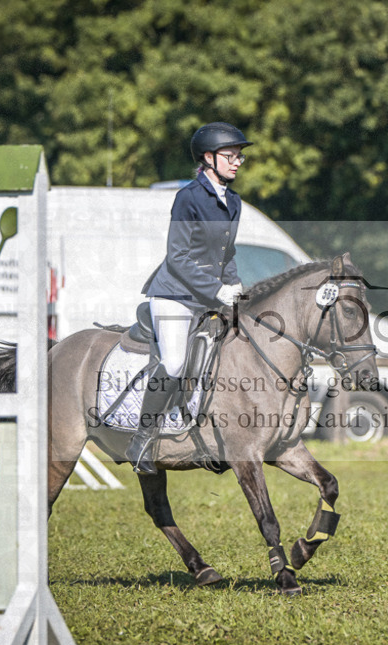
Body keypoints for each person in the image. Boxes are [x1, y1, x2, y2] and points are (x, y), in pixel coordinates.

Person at [127, 122, 252, 475]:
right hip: (174, 294)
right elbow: (178, 256)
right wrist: (217, 290)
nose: (238, 161)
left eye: (240, 155)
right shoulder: (188, 198)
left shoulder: (234, 202)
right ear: (209, 158)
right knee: (176, 363)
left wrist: (235, 285)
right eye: (231, 155)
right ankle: (142, 440)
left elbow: (225, 254)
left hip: (205, 298)